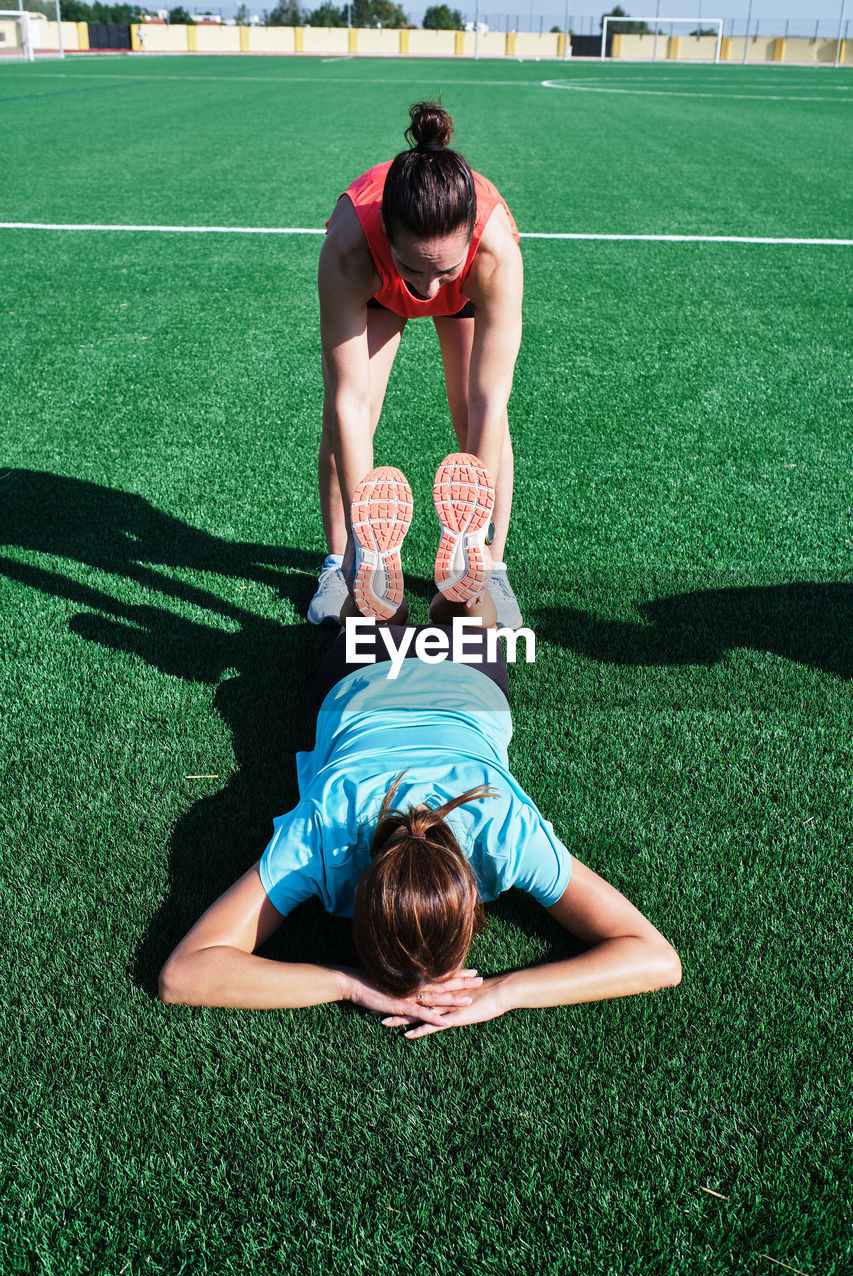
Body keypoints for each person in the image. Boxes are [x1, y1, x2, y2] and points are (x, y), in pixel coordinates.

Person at [160, 461, 681, 1036]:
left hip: (466, 692)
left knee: (464, 633)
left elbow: (653, 958)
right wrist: (352, 980)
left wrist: (500, 991)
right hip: (359, 692)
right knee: (372, 630)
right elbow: (182, 975)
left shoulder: (501, 831)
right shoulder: (327, 831)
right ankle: (406, 593)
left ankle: (450, 594)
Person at [308, 99, 525, 630]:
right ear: (385, 229)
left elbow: (489, 399)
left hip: (466, 291)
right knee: (342, 427)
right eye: (415, 267)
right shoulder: (348, 247)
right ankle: (342, 564)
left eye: (441, 270)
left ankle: (489, 566)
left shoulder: (495, 253)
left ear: (471, 234)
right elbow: (350, 402)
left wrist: (471, 533)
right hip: (379, 288)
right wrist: (368, 543)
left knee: (474, 418)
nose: (426, 290)